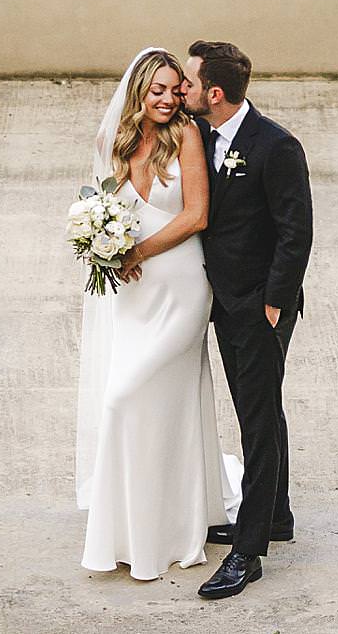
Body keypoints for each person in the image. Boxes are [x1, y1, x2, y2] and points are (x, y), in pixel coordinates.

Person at [76, 48, 236, 580]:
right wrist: (101, 243)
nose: (168, 99)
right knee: (140, 404)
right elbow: (101, 208)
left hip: (182, 290)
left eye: (174, 89)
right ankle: (131, 525)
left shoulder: (186, 135)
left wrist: (138, 252)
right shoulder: (114, 142)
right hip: (133, 296)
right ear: (138, 92)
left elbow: (197, 215)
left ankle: (167, 527)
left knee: (126, 397)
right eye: (157, 90)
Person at [183, 40, 312, 602]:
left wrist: (273, 302)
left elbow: (296, 231)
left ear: (214, 92)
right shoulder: (202, 134)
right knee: (260, 409)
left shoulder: (276, 146)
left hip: (260, 307)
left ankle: (248, 551)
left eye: (189, 83)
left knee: (256, 422)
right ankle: (276, 514)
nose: (182, 90)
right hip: (224, 302)